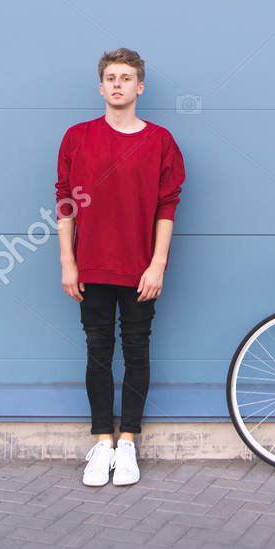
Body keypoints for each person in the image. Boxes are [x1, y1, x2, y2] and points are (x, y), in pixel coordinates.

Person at [54, 47, 185, 487]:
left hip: (139, 268)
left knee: (136, 351)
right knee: (97, 352)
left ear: (139, 87)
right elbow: (65, 203)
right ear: (100, 87)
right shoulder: (77, 138)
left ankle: (127, 442)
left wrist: (157, 264)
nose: (117, 84)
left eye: (126, 78)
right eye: (111, 77)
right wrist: (68, 262)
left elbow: (167, 206)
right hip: (91, 266)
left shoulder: (160, 141)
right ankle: (102, 442)